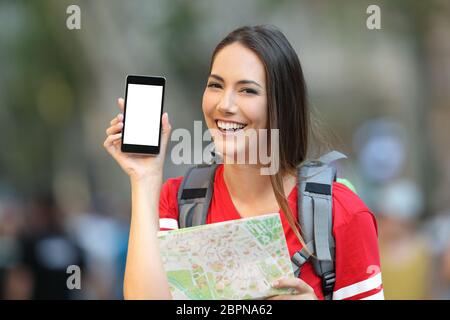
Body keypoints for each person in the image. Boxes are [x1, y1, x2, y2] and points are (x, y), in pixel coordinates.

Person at [104, 25, 383, 300]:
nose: (225, 104)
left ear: (282, 104)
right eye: (215, 85)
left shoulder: (341, 214)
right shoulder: (178, 203)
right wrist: (144, 177)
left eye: (247, 90)